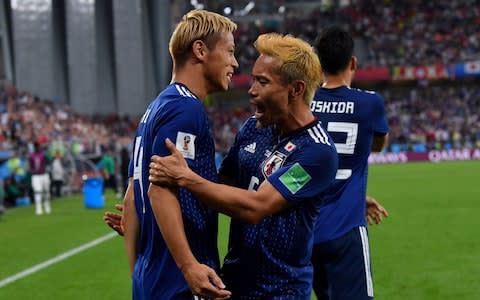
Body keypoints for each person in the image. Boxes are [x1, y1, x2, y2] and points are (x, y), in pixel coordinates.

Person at [149, 33, 338, 299]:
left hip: (281, 291)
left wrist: (186, 177)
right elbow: (218, 187)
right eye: (253, 80)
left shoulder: (317, 152)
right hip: (232, 284)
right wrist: (150, 217)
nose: (251, 91)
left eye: (262, 82)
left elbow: (255, 207)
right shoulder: (253, 128)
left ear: (295, 89)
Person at [122, 9, 238, 300]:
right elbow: (160, 189)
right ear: (200, 50)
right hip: (181, 283)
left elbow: (131, 198)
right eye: (230, 51)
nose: (234, 62)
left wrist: (138, 272)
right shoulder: (186, 109)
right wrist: (188, 266)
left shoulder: (155, 108)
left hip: (152, 279)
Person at [309, 26, 389, 300]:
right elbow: (378, 144)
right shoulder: (370, 103)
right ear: (353, 62)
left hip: (306, 230)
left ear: (318, 64)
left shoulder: (303, 103)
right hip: (346, 229)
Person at [30, 142, 51, 215]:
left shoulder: (43, 154)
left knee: (46, 191)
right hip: (36, 176)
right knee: (38, 191)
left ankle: (46, 205)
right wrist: (32, 171)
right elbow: (30, 165)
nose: (37, 148)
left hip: (44, 174)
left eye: (38, 146)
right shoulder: (31, 155)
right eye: (35, 147)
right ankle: (38, 208)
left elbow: (49, 160)